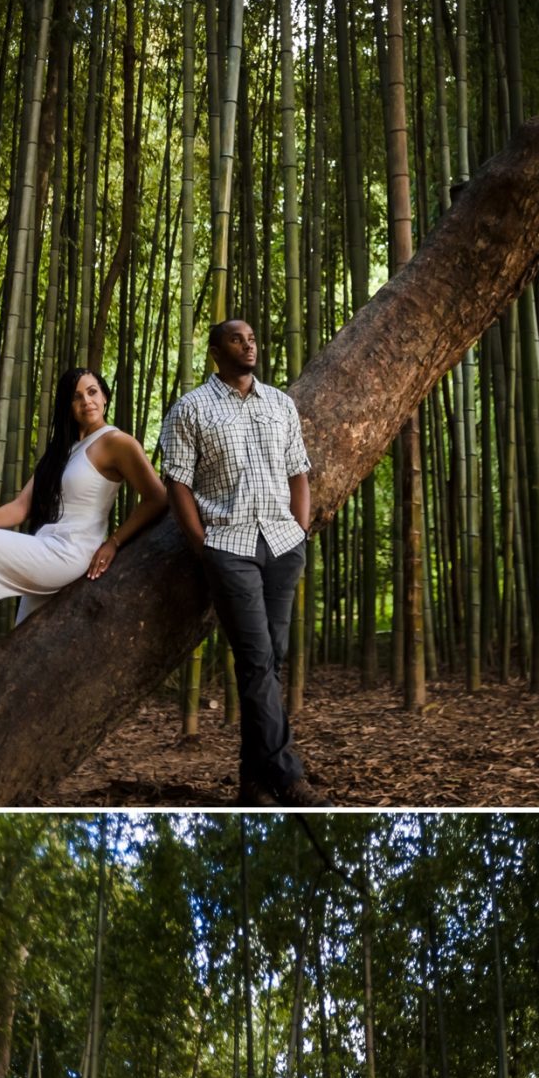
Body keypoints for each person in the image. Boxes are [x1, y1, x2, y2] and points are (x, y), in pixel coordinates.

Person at [0, 366, 168, 703]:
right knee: (25, 654)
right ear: (67, 407)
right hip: (46, 546)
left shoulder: (116, 442)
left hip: (71, 552)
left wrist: (114, 542)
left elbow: (157, 497)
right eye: (77, 396)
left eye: (93, 391)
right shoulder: (63, 451)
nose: (87, 400)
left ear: (105, 395)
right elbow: (21, 507)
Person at [161, 319, 328, 806]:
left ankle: (252, 785)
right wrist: (201, 543)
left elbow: (299, 470)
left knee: (269, 661)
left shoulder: (280, 403)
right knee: (257, 659)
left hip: (281, 543)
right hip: (228, 546)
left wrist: (298, 529)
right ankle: (287, 777)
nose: (249, 345)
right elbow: (177, 483)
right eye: (237, 339)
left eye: (253, 338)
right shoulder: (190, 409)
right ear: (216, 351)